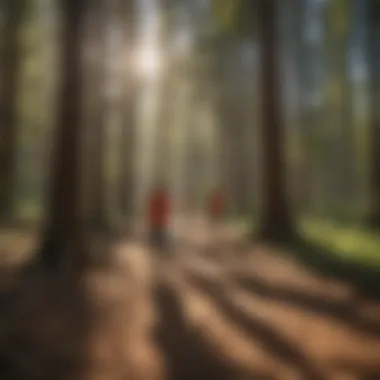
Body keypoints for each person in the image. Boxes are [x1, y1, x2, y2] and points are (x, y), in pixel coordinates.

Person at [148, 185, 170, 250]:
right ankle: (156, 246)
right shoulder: (156, 199)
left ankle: (158, 246)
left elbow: (165, 209)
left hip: (158, 220)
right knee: (157, 234)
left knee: (159, 234)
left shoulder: (160, 199)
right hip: (157, 220)